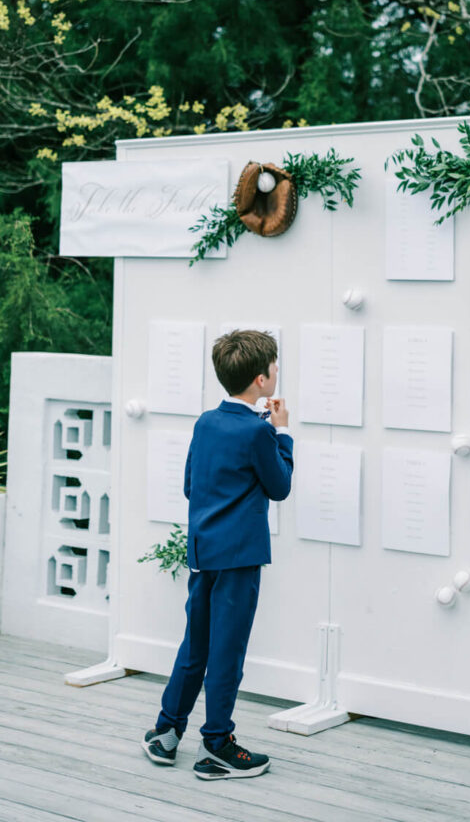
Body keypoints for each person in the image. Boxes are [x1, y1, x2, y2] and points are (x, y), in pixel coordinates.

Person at [142, 329, 293, 780]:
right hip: (239, 558)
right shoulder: (259, 432)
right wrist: (282, 433)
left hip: (203, 552)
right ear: (262, 380)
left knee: (196, 645)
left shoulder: (205, 422)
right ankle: (218, 743)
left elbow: (191, 486)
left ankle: (167, 732)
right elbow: (280, 486)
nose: (277, 374)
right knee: (228, 651)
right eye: (275, 368)